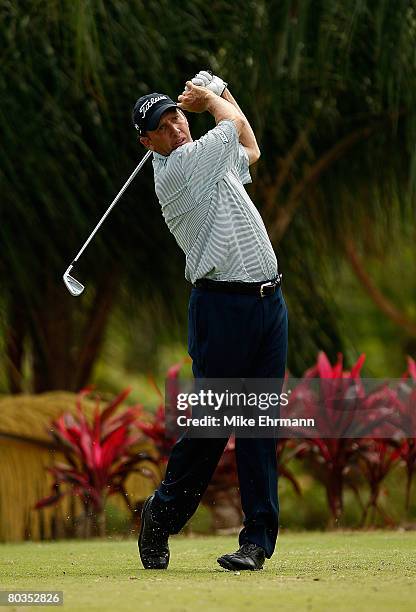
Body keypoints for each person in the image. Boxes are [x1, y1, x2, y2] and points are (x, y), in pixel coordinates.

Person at [132, 71, 288, 571]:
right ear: (147, 142)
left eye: (176, 114)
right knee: (215, 426)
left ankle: (256, 543)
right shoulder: (178, 170)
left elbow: (252, 148)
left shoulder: (211, 160)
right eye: (162, 125)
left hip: (268, 304)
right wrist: (212, 94)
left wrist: (218, 95)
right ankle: (162, 513)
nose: (176, 126)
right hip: (222, 309)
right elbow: (231, 124)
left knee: (259, 423)